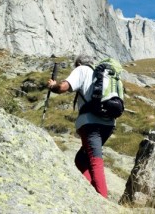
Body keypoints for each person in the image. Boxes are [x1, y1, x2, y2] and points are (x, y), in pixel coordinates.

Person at [47, 54, 114, 198]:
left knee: (94, 160)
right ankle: (90, 194)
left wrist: (53, 86)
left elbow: (63, 87)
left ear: (78, 64)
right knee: (81, 159)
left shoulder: (81, 70)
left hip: (91, 124)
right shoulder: (104, 74)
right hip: (109, 123)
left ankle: (103, 201)